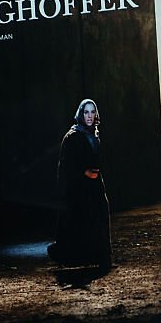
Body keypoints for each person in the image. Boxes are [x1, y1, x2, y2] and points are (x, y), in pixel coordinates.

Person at [48, 99, 111, 270]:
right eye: (86, 112)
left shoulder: (93, 133)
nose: (89, 116)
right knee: (80, 220)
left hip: (93, 185)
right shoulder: (74, 135)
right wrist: (85, 172)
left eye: (92, 112)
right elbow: (69, 162)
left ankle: (95, 256)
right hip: (79, 187)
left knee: (96, 217)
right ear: (81, 114)